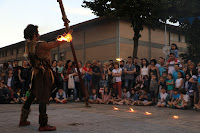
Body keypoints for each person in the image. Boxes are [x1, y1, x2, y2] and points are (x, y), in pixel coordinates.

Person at [19, 24, 65, 131]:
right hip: (43, 74)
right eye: (37, 32)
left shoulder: (28, 45)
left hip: (36, 73)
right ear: (34, 34)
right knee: (44, 97)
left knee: (31, 96)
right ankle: (43, 124)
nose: (39, 34)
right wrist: (66, 37)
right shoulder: (39, 45)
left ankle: (23, 119)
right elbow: (54, 44)